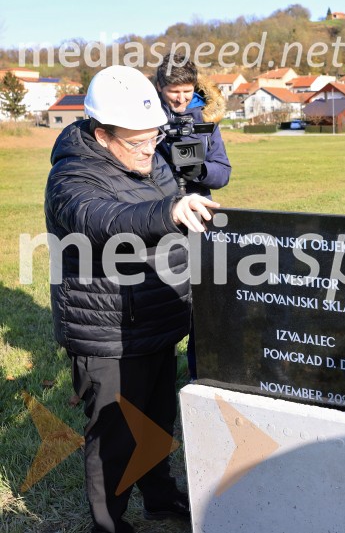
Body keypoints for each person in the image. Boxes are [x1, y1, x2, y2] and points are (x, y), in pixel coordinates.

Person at [45, 65, 220, 533]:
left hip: (156, 317)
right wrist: (168, 212)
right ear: (102, 135)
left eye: (154, 137)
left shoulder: (149, 156)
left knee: (157, 422)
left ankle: (160, 497)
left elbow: (170, 203)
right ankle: (110, 524)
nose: (149, 149)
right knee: (116, 437)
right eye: (137, 142)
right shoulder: (71, 176)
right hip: (108, 329)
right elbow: (100, 218)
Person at [154, 52, 231, 379]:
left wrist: (198, 170)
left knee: (202, 301)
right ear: (160, 87)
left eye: (187, 92)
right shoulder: (145, 118)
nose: (181, 99)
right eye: (174, 92)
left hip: (199, 221)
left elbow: (223, 172)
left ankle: (200, 375)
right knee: (161, 298)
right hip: (158, 220)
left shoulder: (206, 120)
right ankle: (158, 373)